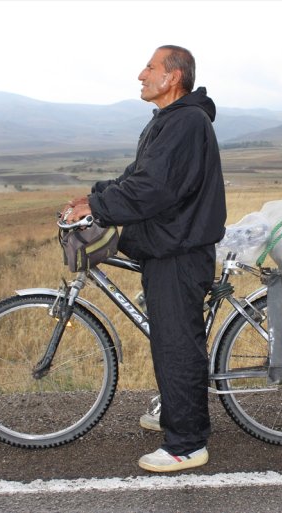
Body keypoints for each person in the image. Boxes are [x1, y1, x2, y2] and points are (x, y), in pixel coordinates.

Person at [64, 45, 227, 472]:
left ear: (173, 77)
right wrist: (96, 195)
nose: (141, 74)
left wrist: (98, 208)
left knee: (177, 345)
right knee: (169, 340)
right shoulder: (170, 121)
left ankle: (188, 444)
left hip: (179, 250)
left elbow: (153, 190)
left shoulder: (185, 122)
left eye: (150, 67)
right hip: (168, 245)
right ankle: (176, 412)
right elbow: (140, 177)